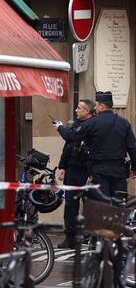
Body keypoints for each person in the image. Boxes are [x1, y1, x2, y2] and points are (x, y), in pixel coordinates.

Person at [54, 91, 136, 198]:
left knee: (102, 205)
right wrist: (135, 168)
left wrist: (60, 127)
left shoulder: (92, 122)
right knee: (119, 203)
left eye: (97, 104)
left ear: (102, 106)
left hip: (99, 170)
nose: (95, 107)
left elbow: (71, 137)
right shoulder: (124, 122)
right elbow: (133, 147)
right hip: (119, 169)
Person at [56, 99, 95, 248]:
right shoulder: (76, 125)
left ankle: (89, 236)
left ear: (88, 111)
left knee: (89, 204)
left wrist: (60, 127)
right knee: (70, 204)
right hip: (72, 169)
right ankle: (70, 237)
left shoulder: (93, 125)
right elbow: (68, 146)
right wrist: (63, 166)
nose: (76, 110)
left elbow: (70, 137)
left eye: (79, 108)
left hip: (86, 171)